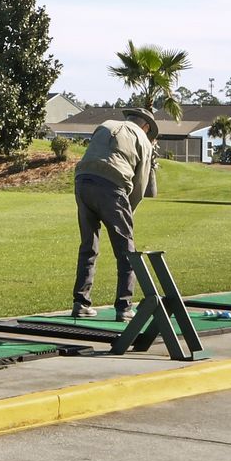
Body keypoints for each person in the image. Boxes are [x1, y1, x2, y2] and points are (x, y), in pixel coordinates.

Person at [71, 107, 158, 321]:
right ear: (146, 126)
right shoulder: (144, 140)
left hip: (82, 181)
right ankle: (124, 307)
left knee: (88, 246)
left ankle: (80, 303)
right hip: (112, 186)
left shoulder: (105, 125)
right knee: (126, 251)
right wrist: (128, 213)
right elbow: (140, 184)